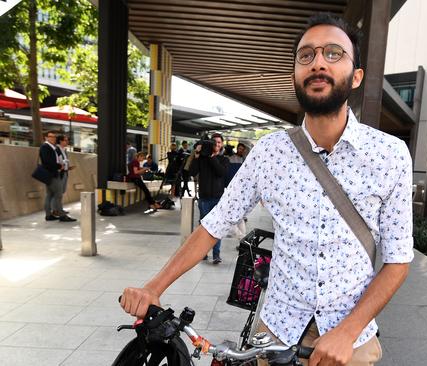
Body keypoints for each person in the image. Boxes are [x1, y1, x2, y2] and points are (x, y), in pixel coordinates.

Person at [120, 13, 412, 366]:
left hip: (352, 338)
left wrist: (348, 331)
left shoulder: (390, 154)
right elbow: (214, 225)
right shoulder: (269, 152)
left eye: (333, 53)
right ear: (295, 75)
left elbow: (397, 261)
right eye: (306, 55)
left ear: (356, 77)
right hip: (276, 331)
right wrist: (154, 287)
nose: (318, 62)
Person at [188, 133, 230, 264]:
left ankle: (216, 254)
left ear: (221, 145)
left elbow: (221, 172)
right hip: (204, 198)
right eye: (214, 142)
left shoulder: (224, 159)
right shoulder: (202, 159)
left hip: (218, 199)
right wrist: (196, 156)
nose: (216, 145)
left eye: (218, 142)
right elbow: (191, 172)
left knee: (217, 227)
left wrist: (212, 158)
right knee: (204, 228)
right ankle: (203, 253)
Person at [40, 131, 76, 222]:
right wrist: (59, 166)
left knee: (50, 195)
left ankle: (49, 215)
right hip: (52, 174)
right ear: (46, 138)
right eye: (51, 136)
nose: (53, 138)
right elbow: (47, 162)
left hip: (53, 173)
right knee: (58, 195)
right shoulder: (45, 147)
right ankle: (62, 216)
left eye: (54, 137)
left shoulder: (51, 147)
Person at [56, 134, 76, 215]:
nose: (67, 141)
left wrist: (68, 168)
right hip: (59, 173)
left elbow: (64, 161)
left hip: (65, 172)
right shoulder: (57, 149)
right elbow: (58, 162)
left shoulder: (64, 150)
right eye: (65, 140)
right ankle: (57, 210)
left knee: (62, 192)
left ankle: (59, 209)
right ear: (60, 141)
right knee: (58, 193)